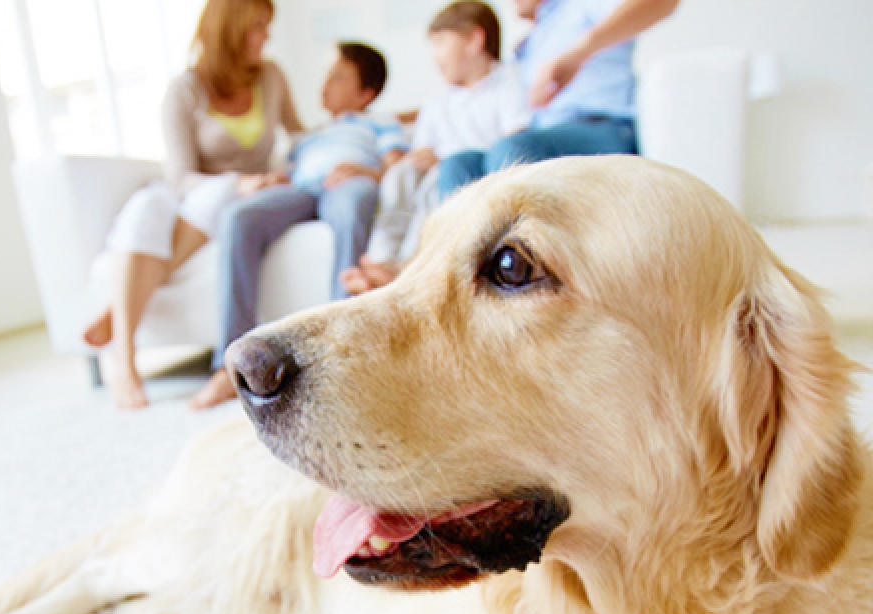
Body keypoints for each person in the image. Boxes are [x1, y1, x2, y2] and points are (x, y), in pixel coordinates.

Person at [82, 0, 304, 410]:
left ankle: (118, 310)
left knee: (225, 196)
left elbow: (299, 135)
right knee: (146, 206)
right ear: (230, 30)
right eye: (258, 26)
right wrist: (238, 180)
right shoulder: (184, 90)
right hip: (196, 192)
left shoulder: (270, 77)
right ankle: (124, 361)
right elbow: (180, 175)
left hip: (242, 198)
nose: (266, 36)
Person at [189, 42, 406, 409]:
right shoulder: (310, 137)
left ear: (366, 92)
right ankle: (228, 365)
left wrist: (365, 172)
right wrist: (275, 179)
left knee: (355, 200)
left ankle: (341, 349)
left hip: (348, 182)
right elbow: (289, 171)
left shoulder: (381, 122)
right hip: (301, 188)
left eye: (338, 77)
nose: (326, 84)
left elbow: (398, 165)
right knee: (239, 216)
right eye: (326, 75)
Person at [340, 1, 530, 296]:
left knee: (434, 181)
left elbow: (513, 145)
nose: (435, 56)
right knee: (401, 175)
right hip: (432, 170)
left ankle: (408, 264)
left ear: (474, 40)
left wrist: (439, 160)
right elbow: (421, 149)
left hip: (467, 174)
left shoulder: (508, 84)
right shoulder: (438, 102)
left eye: (440, 43)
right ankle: (381, 259)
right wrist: (418, 158)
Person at [436, 0, 680, 198]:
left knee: (512, 151)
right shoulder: (530, 42)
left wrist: (577, 54)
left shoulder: (579, 7)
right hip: (542, 138)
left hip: (603, 129)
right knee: (458, 165)